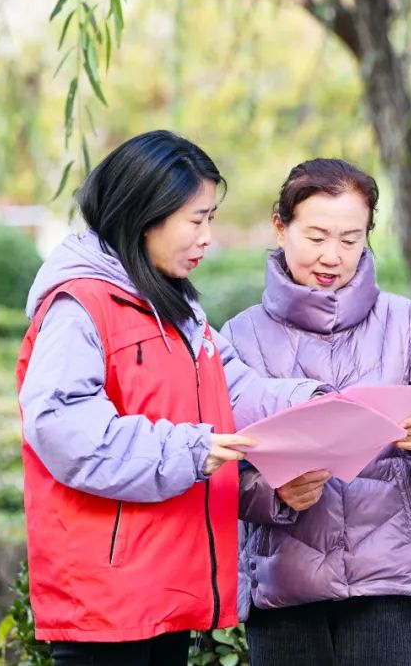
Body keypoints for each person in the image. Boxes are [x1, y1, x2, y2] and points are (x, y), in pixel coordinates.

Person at [16, 131, 327, 666]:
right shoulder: (79, 307)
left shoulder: (177, 309)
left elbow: (237, 391)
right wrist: (191, 450)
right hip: (106, 604)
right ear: (144, 213)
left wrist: (321, 403)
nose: (208, 237)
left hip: (163, 592)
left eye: (211, 218)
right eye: (196, 219)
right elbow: (66, 431)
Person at [221, 158, 411, 666]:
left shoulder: (405, 322)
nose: (332, 256)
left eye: (350, 238)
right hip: (284, 587)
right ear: (281, 227)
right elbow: (216, 465)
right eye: (316, 237)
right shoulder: (239, 335)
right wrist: (273, 495)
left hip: (390, 586)